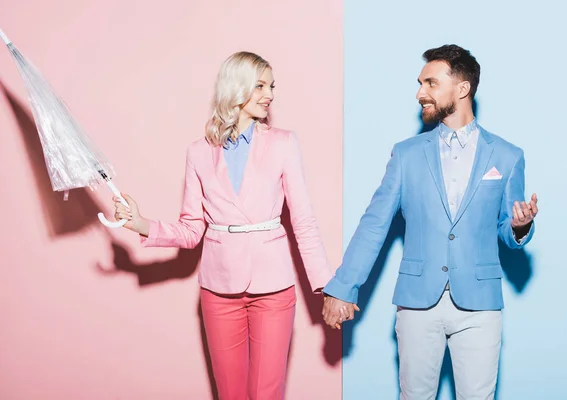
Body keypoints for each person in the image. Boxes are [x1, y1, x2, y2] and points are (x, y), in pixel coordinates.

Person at [321, 44, 538, 399]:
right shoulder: (406, 155)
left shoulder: (508, 156)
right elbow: (374, 224)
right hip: (417, 302)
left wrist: (519, 227)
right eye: (421, 83)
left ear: (462, 88)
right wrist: (342, 288)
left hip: (480, 305)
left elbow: (506, 226)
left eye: (431, 83)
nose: (421, 93)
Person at [113, 51, 333, 400]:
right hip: (218, 290)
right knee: (229, 394)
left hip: (273, 288)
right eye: (260, 85)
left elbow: (303, 220)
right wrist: (140, 223)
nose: (270, 94)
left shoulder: (283, 143)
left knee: (266, 392)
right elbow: (190, 230)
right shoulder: (198, 152)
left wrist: (325, 285)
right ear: (237, 87)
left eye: (272, 86)